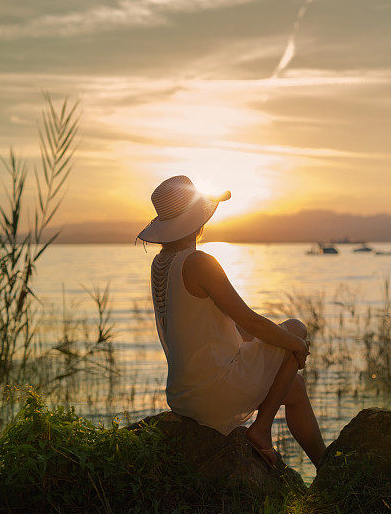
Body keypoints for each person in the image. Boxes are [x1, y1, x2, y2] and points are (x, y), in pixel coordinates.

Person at [137, 175, 326, 469]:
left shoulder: (161, 263)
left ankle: (325, 469)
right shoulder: (199, 262)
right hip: (216, 393)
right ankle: (261, 430)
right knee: (296, 328)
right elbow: (251, 322)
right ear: (198, 222)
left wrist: (276, 349)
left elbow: (233, 326)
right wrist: (297, 345)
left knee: (295, 387)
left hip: (184, 396)